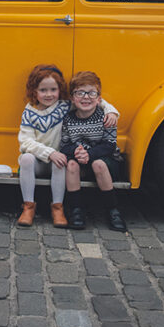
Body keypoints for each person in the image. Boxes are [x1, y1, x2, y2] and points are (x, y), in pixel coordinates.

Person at [17, 64, 118, 228]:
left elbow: (90, 100)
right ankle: (28, 206)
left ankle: (58, 208)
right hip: (38, 162)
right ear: (34, 91)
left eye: (53, 90)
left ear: (60, 90)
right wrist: (49, 153)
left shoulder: (63, 106)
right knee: (26, 158)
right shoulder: (29, 112)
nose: (49, 94)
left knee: (62, 161)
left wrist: (111, 111)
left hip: (58, 160)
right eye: (43, 90)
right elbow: (26, 141)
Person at [60, 71, 127, 232]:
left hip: (106, 162)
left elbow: (109, 145)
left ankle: (112, 210)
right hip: (80, 160)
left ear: (99, 98)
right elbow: (64, 145)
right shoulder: (68, 119)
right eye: (80, 93)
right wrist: (77, 152)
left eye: (91, 93)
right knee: (71, 165)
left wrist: (89, 154)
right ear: (72, 98)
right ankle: (76, 210)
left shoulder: (106, 116)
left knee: (98, 164)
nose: (86, 97)